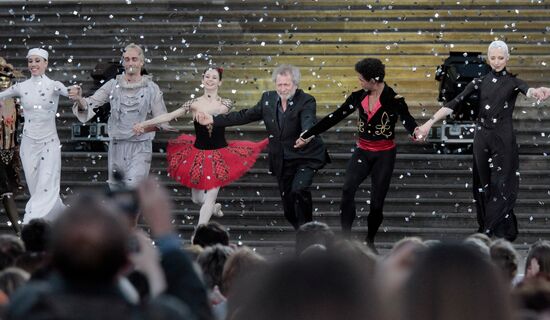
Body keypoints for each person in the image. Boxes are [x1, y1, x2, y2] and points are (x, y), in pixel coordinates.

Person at [416, 40, 550, 241]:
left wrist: (539, 91)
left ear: (507, 58)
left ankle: (487, 230)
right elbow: (453, 103)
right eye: (493, 58)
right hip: (482, 137)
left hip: (503, 137)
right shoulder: (478, 82)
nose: (497, 62)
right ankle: (492, 227)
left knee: (502, 183)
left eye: (501, 58)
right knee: (482, 185)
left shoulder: (513, 83)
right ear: (488, 58)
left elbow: (529, 91)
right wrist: (428, 124)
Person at [294, 58, 419, 252]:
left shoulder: (394, 101)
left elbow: (408, 120)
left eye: (362, 79)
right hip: (362, 151)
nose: (359, 82)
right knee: (347, 190)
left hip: (384, 154)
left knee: (377, 203)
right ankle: (346, 239)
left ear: (373, 80)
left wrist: (415, 132)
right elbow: (335, 116)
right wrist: (309, 134)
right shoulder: (358, 97)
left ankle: (370, 239)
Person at [197, 64, 329, 229]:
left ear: (295, 84)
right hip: (281, 158)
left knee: (299, 189)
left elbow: (308, 120)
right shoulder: (268, 98)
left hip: (305, 156)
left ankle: (309, 229)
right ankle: (301, 229)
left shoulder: (306, 100)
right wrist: (213, 119)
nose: (282, 89)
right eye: (279, 84)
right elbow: (244, 116)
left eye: (286, 84)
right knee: (289, 210)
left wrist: (306, 135)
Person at [134, 67, 268, 226]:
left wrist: (203, 112)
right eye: (207, 77)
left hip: (219, 154)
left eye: (214, 77)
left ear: (220, 82)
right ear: (202, 80)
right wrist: (144, 123)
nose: (210, 80)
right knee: (197, 199)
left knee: (210, 196)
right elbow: (169, 116)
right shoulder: (193, 103)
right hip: (197, 154)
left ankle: (198, 233)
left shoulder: (225, 102)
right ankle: (213, 207)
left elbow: (220, 111)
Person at [70, 43, 169, 189]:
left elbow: (163, 120)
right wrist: (79, 99)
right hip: (117, 145)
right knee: (117, 190)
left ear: (141, 62)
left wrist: (145, 128)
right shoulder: (112, 84)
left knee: (134, 189)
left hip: (140, 146)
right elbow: (91, 103)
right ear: (122, 62)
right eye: (127, 59)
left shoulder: (151, 88)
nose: (130, 63)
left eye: (134, 59)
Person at [0, 48, 70, 224]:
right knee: (37, 189)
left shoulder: (54, 85)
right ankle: (60, 220)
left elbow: (69, 93)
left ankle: (31, 221)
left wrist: (76, 94)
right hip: (29, 145)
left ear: (45, 63)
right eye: (30, 61)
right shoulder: (21, 87)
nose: (33, 64)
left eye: (37, 61)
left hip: (50, 143)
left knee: (47, 185)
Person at [0, 57, 23, 233]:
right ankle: (19, 231)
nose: (3, 82)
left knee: (7, 189)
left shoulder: (15, 102)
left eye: (6, 79)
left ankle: (19, 231)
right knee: (5, 190)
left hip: (8, 150)